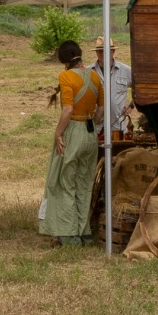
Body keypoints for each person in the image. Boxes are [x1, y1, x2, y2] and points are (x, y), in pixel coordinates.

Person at [40, 39, 104, 247]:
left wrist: (59, 134)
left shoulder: (66, 76)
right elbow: (100, 110)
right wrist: (91, 125)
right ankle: (84, 231)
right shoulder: (94, 76)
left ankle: (69, 234)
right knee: (84, 184)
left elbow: (67, 109)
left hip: (74, 130)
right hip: (90, 132)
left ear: (63, 59)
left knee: (65, 182)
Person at [91, 36, 134, 137]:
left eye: (106, 51)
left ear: (113, 51)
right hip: (95, 128)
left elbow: (139, 88)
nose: (103, 54)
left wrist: (131, 105)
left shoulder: (126, 70)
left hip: (118, 128)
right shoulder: (89, 72)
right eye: (100, 51)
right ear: (96, 53)